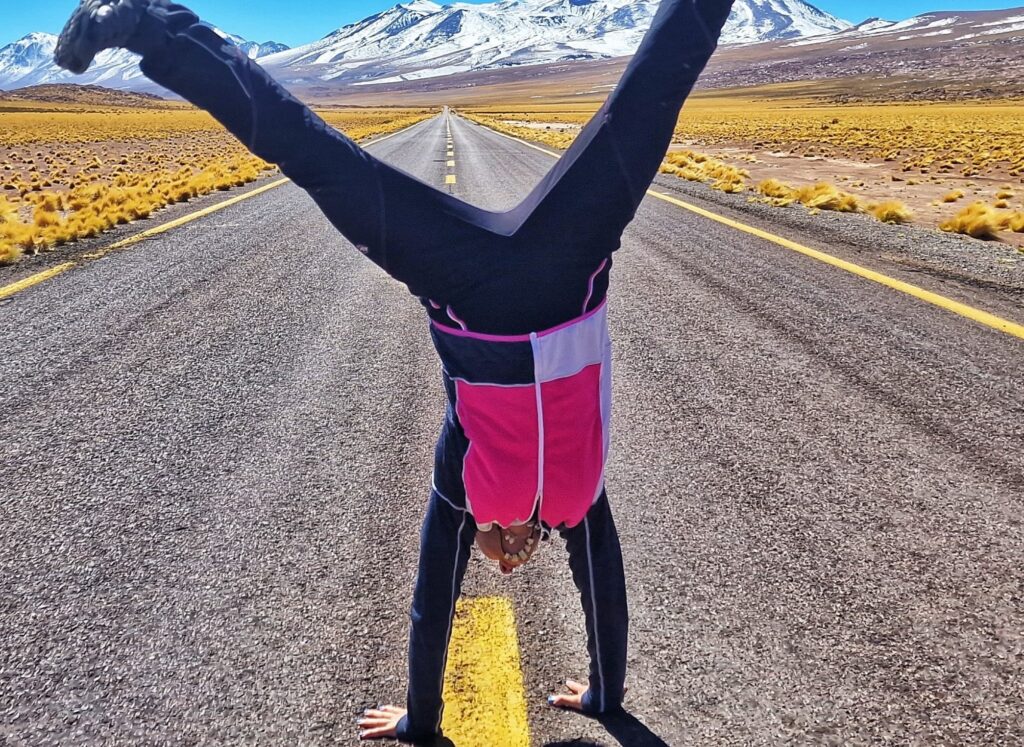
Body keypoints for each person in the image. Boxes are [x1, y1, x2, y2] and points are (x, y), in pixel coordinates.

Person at [55, 0, 735, 741]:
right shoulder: (484, 482)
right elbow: (434, 592)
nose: (509, 555)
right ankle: (146, 28)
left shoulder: (578, 487)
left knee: (655, 86)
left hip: (564, 266)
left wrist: (606, 689)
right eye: (516, 549)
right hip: (473, 285)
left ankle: (145, 25)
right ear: (520, 531)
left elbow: (586, 579)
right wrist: (426, 715)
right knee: (309, 152)